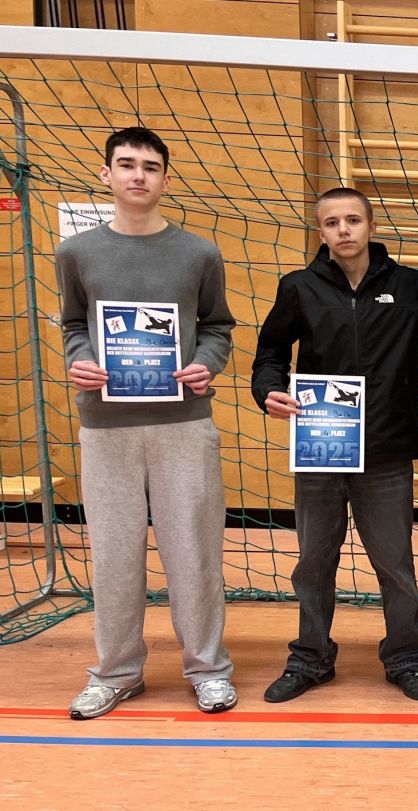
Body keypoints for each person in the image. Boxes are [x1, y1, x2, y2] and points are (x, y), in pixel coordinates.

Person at [58, 126, 238, 719]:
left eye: (151, 166)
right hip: (105, 427)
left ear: (164, 178)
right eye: (127, 164)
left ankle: (208, 669)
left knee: (194, 552)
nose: (139, 175)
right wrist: (80, 359)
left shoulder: (198, 253)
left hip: (183, 425)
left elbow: (217, 326)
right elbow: (74, 324)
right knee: (113, 555)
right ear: (107, 174)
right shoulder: (77, 252)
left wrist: (206, 363)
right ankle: (116, 673)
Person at [251, 187, 418, 703]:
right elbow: (270, 353)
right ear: (321, 231)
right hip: (320, 448)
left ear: (371, 226)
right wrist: (269, 389)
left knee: (395, 564)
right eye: (332, 222)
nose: (343, 230)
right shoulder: (298, 287)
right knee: (314, 561)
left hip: (387, 449)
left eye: (353, 220)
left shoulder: (412, 287)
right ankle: (310, 658)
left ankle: (406, 657)